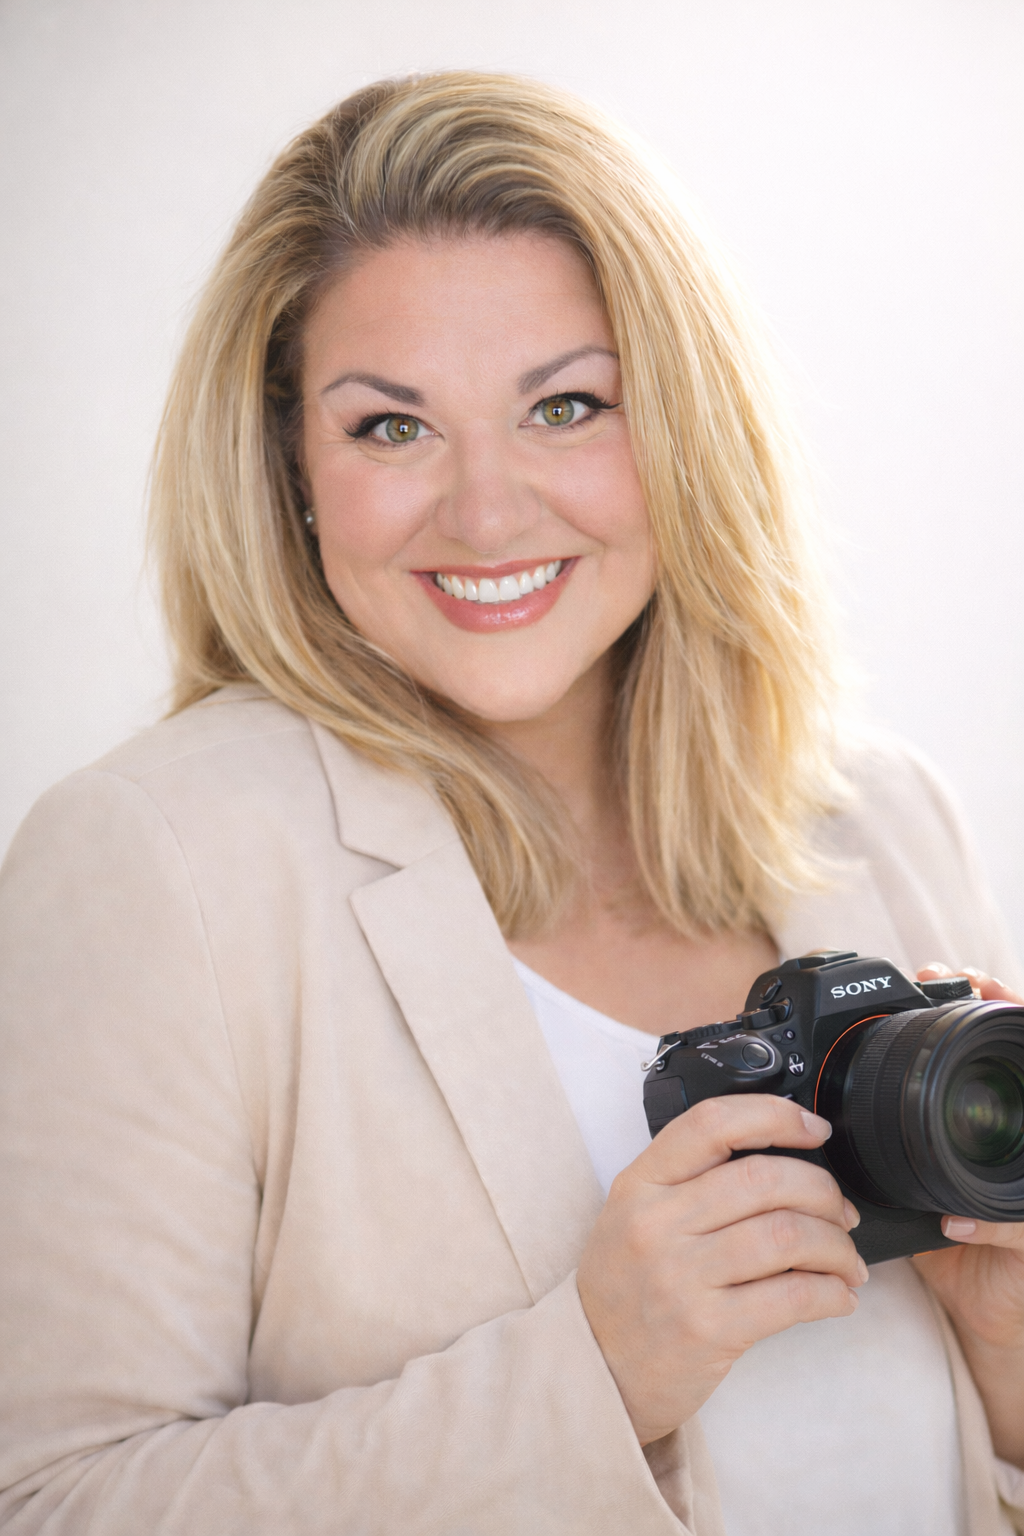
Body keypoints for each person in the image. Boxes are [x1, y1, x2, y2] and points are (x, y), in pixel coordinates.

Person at [0, 70, 1021, 1536]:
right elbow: (49, 1506)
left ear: (678, 426)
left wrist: (1005, 1362)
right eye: (391, 429)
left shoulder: (882, 818)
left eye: (566, 406)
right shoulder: (161, 863)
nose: (487, 513)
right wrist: (598, 1373)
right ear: (290, 466)